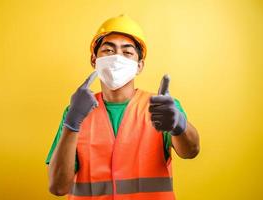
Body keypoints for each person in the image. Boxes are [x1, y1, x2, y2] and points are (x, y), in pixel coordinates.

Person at [46, 14, 200, 200]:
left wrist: (179, 125)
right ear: (94, 60)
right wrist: (71, 125)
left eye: (127, 52)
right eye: (108, 51)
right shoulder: (76, 112)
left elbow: (191, 151)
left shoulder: (162, 107)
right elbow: (57, 187)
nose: (117, 57)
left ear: (139, 65)